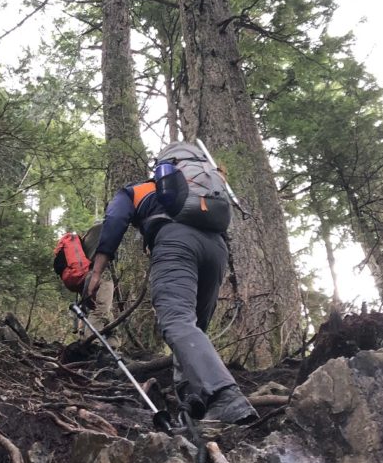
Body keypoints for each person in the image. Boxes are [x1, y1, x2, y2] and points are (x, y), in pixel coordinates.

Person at [83, 150, 257, 427]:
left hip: (176, 242)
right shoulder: (209, 189)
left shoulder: (138, 190)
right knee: (192, 328)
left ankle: (226, 397)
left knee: (177, 321)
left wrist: (96, 271)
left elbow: (114, 222)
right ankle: (193, 398)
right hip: (217, 250)